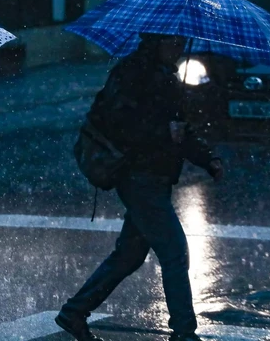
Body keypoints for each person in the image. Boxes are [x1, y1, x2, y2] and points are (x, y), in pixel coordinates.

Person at [56, 33, 225, 341]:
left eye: (182, 43)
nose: (179, 49)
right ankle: (184, 333)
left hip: (156, 179)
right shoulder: (132, 73)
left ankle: (74, 312)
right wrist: (164, 132)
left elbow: (180, 130)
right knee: (174, 252)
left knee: (129, 255)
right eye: (173, 43)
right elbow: (121, 124)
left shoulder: (166, 76)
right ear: (155, 42)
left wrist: (207, 159)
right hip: (138, 177)